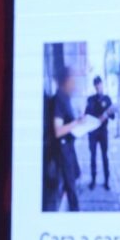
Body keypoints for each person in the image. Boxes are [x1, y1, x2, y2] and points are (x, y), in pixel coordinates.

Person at [50, 67, 85, 211]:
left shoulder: (66, 97)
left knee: (76, 174)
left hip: (69, 147)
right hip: (63, 148)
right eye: (73, 79)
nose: (75, 83)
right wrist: (76, 123)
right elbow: (58, 131)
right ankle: (74, 211)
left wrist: (79, 120)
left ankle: (65, 194)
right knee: (71, 184)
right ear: (65, 81)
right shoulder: (59, 99)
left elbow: (68, 122)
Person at [85, 76, 114, 190]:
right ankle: (93, 181)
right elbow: (86, 114)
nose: (98, 86)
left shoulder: (107, 99)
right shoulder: (90, 99)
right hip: (92, 133)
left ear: (102, 85)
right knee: (92, 157)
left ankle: (107, 181)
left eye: (99, 84)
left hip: (103, 133)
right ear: (94, 86)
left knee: (104, 156)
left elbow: (112, 116)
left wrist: (108, 112)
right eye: (96, 84)